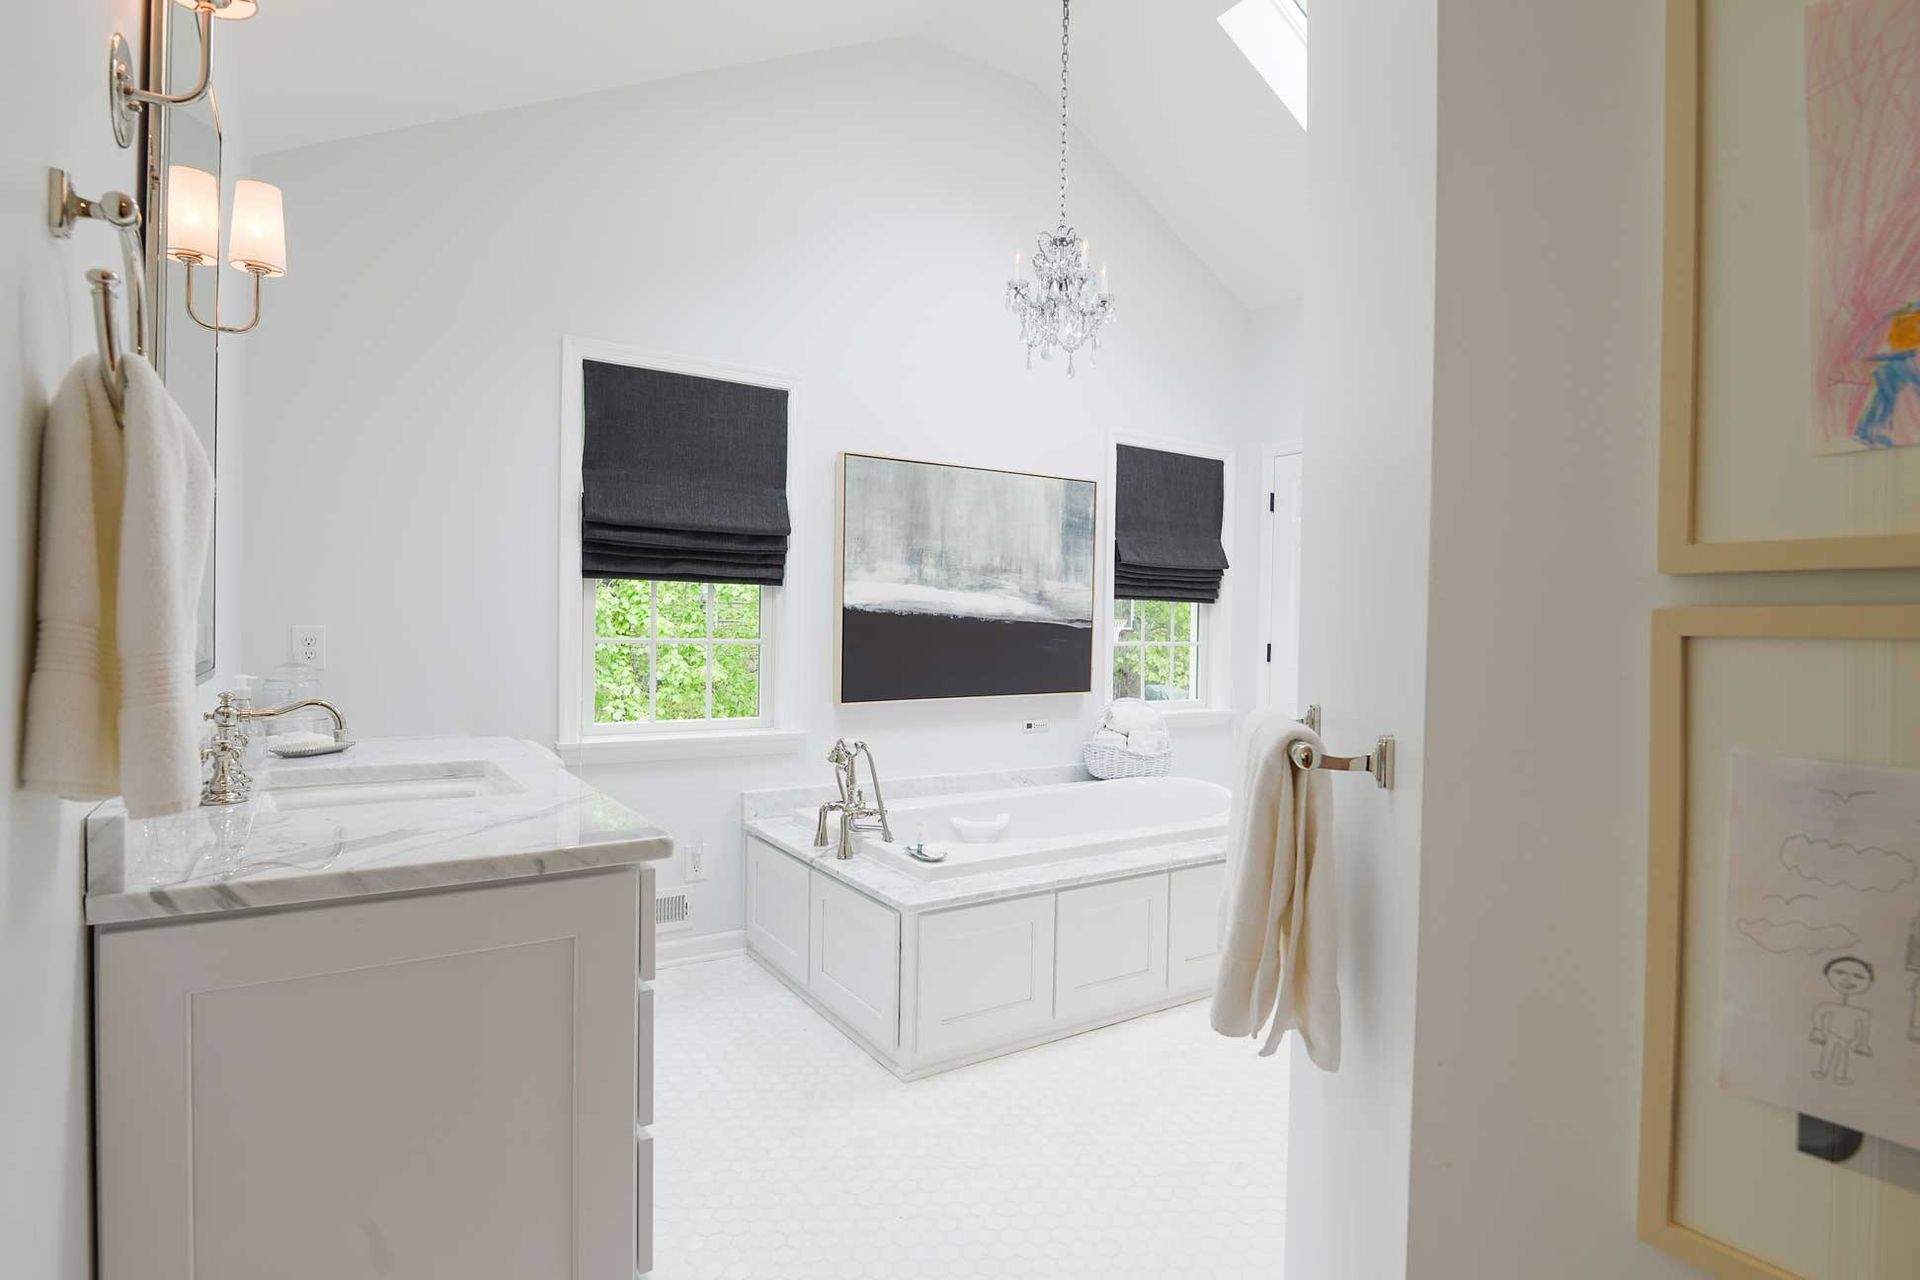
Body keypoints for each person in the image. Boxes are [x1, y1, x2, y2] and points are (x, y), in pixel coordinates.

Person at [1810, 955, 1874, 1085]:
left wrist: (1863, 1043)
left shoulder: (1861, 1012)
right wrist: (1818, 1030)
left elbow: (1865, 1026)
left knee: (1844, 1057)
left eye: (1859, 976)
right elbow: (1819, 1014)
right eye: (1840, 972)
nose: (1847, 980)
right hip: (1832, 1035)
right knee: (1828, 1052)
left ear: (1869, 981)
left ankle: (1840, 1077)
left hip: (1848, 1039)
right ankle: (1823, 1072)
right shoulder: (1829, 1005)